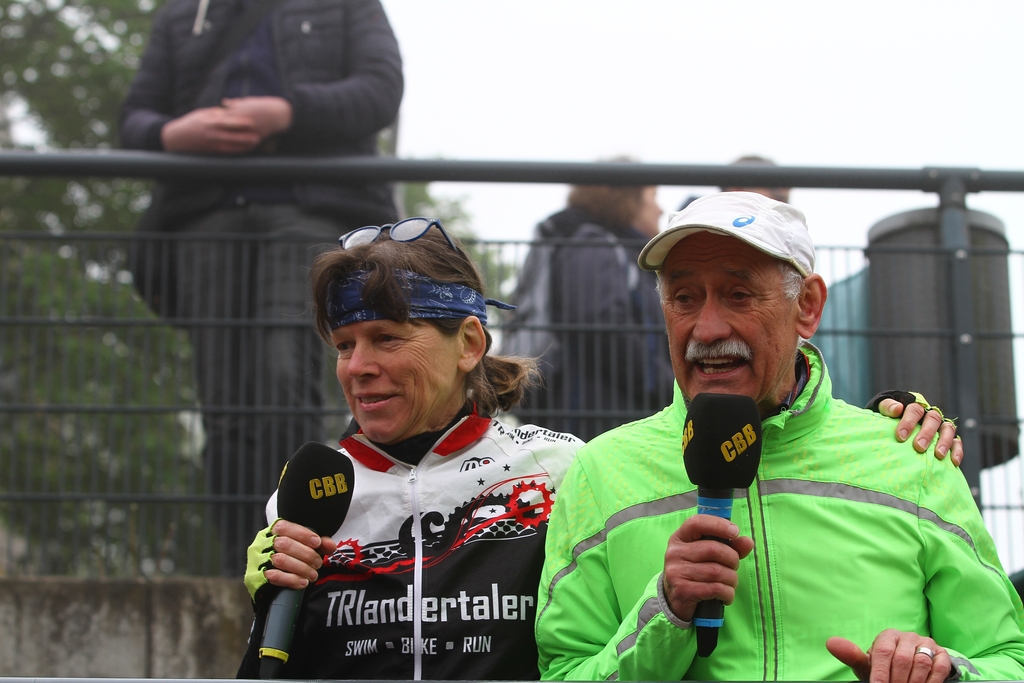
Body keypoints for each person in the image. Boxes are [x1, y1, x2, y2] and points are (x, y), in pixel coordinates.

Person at [536, 192, 1024, 681]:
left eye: (739, 295)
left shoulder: (913, 455)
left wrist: (942, 673)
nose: (707, 329)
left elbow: (1006, 658)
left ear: (807, 306)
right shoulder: (600, 471)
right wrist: (663, 613)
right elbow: (563, 672)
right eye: (684, 298)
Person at [118, 0, 403, 574]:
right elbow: (135, 117)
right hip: (206, 215)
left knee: (283, 384)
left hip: (310, 210)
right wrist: (173, 132)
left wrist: (287, 112)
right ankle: (239, 569)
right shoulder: (183, 14)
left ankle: (295, 562)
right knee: (223, 403)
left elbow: (379, 91)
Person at [236, 217, 582, 679]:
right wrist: (268, 606)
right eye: (344, 345)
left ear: (469, 344)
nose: (357, 367)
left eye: (386, 338)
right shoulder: (310, 495)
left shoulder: (559, 468)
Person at [502, 180, 676, 441]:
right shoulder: (595, 246)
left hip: (603, 408)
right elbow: (600, 325)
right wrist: (663, 384)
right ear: (628, 200)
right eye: (653, 196)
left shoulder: (615, 248)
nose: (660, 209)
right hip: (594, 415)